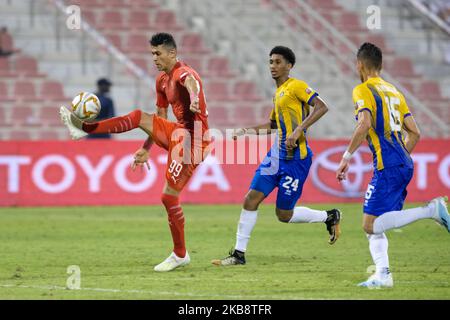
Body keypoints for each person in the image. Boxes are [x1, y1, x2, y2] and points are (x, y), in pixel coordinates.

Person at [60, 32, 210, 272]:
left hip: (195, 140)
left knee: (168, 197)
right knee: (140, 116)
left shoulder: (183, 72)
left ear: (172, 53)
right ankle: (86, 128)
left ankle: (180, 254)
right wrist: (146, 149)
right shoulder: (162, 80)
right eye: (152, 53)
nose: (154, 58)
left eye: (158, 53)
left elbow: (192, 82)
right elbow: (160, 119)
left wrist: (193, 97)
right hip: (178, 133)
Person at [212, 46, 341, 267]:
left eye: (278, 62)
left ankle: (329, 216)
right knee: (250, 199)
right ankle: (238, 254)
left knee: (284, 215)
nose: (273, 66)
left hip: (296, 160)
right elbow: (274, 124)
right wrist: (247, 131)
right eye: (271, 61)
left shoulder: (297, 86)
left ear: (289, 66)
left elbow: (321, 107)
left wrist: (299, 130)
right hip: (275, 157)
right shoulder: (278, 93)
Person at [335, 42, 450, 289]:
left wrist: (346, 157)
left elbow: (364, 123)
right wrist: (401, 158)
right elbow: (415, 133)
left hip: (390, 166)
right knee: (377, 223)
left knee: (370, 224)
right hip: (400, 163)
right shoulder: (395, 92)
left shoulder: (363, 90)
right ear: (381, 65)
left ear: (360, 65)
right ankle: (383, 275)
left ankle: (431, 211)